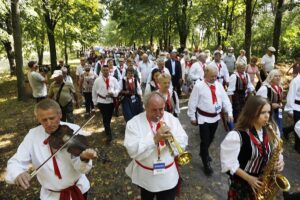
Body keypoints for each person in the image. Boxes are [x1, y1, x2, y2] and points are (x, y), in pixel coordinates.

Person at [5, 99, 97, 199]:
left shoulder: (74, 130)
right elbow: (16, 161)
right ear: (38, 119)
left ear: (60, 114)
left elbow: (82, 169)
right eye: (44, 120)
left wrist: (84, 158)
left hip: (78, 190)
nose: (48, 123)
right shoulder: (32, 136)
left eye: (52, 118)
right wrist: (17, 173)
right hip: (50, 196)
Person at [124, 92, 188, 200]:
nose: (158, 113)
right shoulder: (133, 123)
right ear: (145, 107)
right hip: (146, 177)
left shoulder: (171, 119)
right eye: (154, 110)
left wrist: (172, 142)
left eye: (161, 109)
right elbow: (132, 150)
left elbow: (183, 140)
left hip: (168, 177)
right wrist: (154, 140)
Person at [220, 96, 285, 199]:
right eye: (262, 113)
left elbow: (278, 149)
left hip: (264, 183)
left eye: (268, 112)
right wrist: (249, 178)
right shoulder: (236, 136)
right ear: (251, 113)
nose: (267, 116)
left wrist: (280, 159)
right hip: (243, 185)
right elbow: (228, 164)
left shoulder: (272, 129)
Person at [187, 65, 233, 176]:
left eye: (215, 76)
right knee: (205, 139)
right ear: (205, 74)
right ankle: (206, 162)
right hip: (203, 119)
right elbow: (192, 102)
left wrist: (230, 112)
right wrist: (192, 117)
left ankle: (203, 152)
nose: (214, 78)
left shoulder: (218, 86)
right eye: (212, 76)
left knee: (211, 138)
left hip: (215, 118)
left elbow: (225, 99)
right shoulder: (199, 86)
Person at [92, 65, 120, 143]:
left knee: (109, 117)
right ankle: (109, 135)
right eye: (104, 70)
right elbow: (94, 91)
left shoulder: (113, 79)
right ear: (101, 71)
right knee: (105, 117)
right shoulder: (97, 80)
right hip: (102, 101)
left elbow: (118, 89)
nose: (105, 72)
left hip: (111, 101)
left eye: (107, 70)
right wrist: (95, 102)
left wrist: (114, 93)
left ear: (109, 71)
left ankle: (107, 128)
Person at [257, 69, 283, 136]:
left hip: (277, 112)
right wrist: (271, 104)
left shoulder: (278, 87)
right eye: (276, 76)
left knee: (277, 130)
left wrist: (280, 103)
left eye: (279, 76)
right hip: (268, 114)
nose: (278, 78)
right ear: (271, 77)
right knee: (269, 132)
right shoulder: (265, 88)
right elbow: (258, 101)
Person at [284, 70, 300, 153]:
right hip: (297, 107)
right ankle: (297, 146)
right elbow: (290, 95)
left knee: (298, 125)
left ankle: (286, 130)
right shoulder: (296, 81)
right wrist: (289, 109)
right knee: (298, 125)